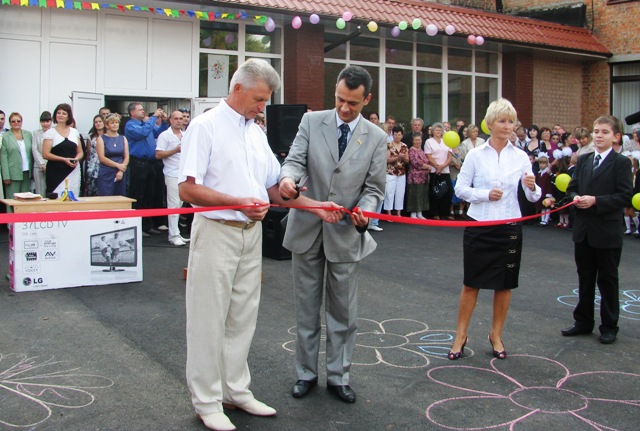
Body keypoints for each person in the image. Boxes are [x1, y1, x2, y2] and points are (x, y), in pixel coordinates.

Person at [179, 59, 282, 431]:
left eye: (266, 101)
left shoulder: (255, 131)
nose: (262, 107)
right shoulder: (204, 126)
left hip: (249, 236)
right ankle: (206, 400)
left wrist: (293, 193)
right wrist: (238, 203)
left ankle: (235, 389)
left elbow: (272, 184)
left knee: (242, 316)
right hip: (217, 230)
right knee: (208, 317)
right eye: (258, 99)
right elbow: (187, 188)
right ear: (237, 88)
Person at [279, 65, 386, 404]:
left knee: (343, 313)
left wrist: (364, 212)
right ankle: (305, 374)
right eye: (340, 99)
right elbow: (295, 161)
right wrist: (288, 180)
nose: (344, 108)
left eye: (352, 103)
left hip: (345, 233)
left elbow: (375, 189)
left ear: (366, 99)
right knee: (306, 309)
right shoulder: (312, 122)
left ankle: (339, 377)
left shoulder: (377, 137)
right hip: (307, 228)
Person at [450, 98, 541, 360]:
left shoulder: (521, 156)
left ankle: (496, 334)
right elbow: (460, 189)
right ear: (489, 124)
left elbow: (533, 196)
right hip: (480, 225)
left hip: (510, 226)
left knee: (504, 285)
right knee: (471, 283)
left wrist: (533, 186)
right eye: (502, 121)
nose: (507, 126)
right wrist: (484, 194)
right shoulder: (476, 155)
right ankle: (460, 335)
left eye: (511, 121)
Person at [561, 115, 633, 345]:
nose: (599, 136)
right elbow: (570, 190)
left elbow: (624, 196)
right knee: (585, 278)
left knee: (608, 279)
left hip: (607, 231)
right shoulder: (584, 160)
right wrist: (575, 198)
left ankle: (609, 325)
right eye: (596, 131)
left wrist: (596, 201)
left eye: (604, 132)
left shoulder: (621, 163)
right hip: (584, 230)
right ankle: (583, 322)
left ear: (616, 136)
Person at [125, 102, 164, 235]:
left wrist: (161, 121)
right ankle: (137, 226)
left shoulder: (145, 124)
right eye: (140, 110)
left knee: (149, 194)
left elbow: (158, 132)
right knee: (138, 195)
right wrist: (153, 118)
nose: (143, 112)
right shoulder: (131, 125)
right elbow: (143, 133)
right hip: (138, 163)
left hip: (150, 164)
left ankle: (147, 225)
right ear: (132, 112)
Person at [156, 111, 189, 246]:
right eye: (176, 118)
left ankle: (177, 233)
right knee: (173, 204)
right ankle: (173, 235)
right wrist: (175, 150)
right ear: (170, 120)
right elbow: (158, 154)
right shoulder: (164, 135)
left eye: (181, 119)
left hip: (184, 174)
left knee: (180, 204)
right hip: (172, 173)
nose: (179, 121)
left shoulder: (186, 134)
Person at [42, 103, 83, 196]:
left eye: (64, 113)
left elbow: (80, 152)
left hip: (73, 170)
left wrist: (76, 159)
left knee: (72, 197)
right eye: (58, 113)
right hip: (55, 171)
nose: (61, 115)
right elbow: (45, 154)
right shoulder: (50, 133)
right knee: (56, 198)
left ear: (69, 116)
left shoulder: (74, 132)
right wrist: (64, 159)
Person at [425, 122, 453, 220]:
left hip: (445, 170)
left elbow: (450, 156)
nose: (438, 132)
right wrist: (437, 167)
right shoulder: (429, 141)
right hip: (434, 171)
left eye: (440, 130)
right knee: (435, 192)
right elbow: (428, 156)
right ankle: (434, 213)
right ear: (432, 131)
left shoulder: (446, 141)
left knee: (448, 191)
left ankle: (445, 213)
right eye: (436, 130)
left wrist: (443, 166)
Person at [1, 112, 33, 200]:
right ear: (10, 123)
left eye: (18, 121)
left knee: (25, 199)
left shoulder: (28, 134)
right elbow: (3, 156)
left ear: (21, 122)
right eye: (13, 121)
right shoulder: (6, 136)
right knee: (12, 199)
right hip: (12, 173)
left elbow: (32, 152)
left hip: (27, 172)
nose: (16, 123)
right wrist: (6, 176)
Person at [96, 113, 128, 197]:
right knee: (105, 196)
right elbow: (101, 158)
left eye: (117, 122)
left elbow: (126, 157)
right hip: (106, 172)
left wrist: (121, 170)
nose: (115, 125)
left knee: (120, 196)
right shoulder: (101, 138)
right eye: (112, 123)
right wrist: (117, 165)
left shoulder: (123, 138)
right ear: (107, 125)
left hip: (120, 172)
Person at [384, 125, 409, 217]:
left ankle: (398, 213)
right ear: (393, 135)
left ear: (402, 135)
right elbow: (387, 159)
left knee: (400, 193)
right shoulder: (389, 145)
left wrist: (404, 157)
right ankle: (389, 213)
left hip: (401, 173)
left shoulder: (404, 146)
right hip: (391, 172)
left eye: (399, 134)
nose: (397, 136)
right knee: (389, 192)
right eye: (395, 134)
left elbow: (407, 160)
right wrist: (397, 157)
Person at [406, 133, 429, 218]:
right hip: (414, 177)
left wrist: (427, 166)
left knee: (421, 195)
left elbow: (426, 161)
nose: (418, 141)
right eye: (416, 140)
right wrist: (428, 167)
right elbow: (416, 163)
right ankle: (413, 213)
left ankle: (419, 212)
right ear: (412, 141)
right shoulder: (411, 150)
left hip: (423, 177)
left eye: (419, 140)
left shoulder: (421, 150)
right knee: (414, 195)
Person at [31, 111, 52, 196]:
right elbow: (34, 149)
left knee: (52, 191)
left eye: (47, 121)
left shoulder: (54, 132)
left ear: (51, 121)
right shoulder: (36, 133)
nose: (45, 124)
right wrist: (42, 164)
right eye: (43, 121)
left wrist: (47, 164)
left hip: (51, 165)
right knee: (40, 193)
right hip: (39, 166)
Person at [84, 114, 104, 196]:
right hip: (92, 165)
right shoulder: (91, 136)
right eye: (96, 122)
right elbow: (88, 152)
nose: (98, 123)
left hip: (103, 163)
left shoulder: (107, 136)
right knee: (91, 188)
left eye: (100, 121)